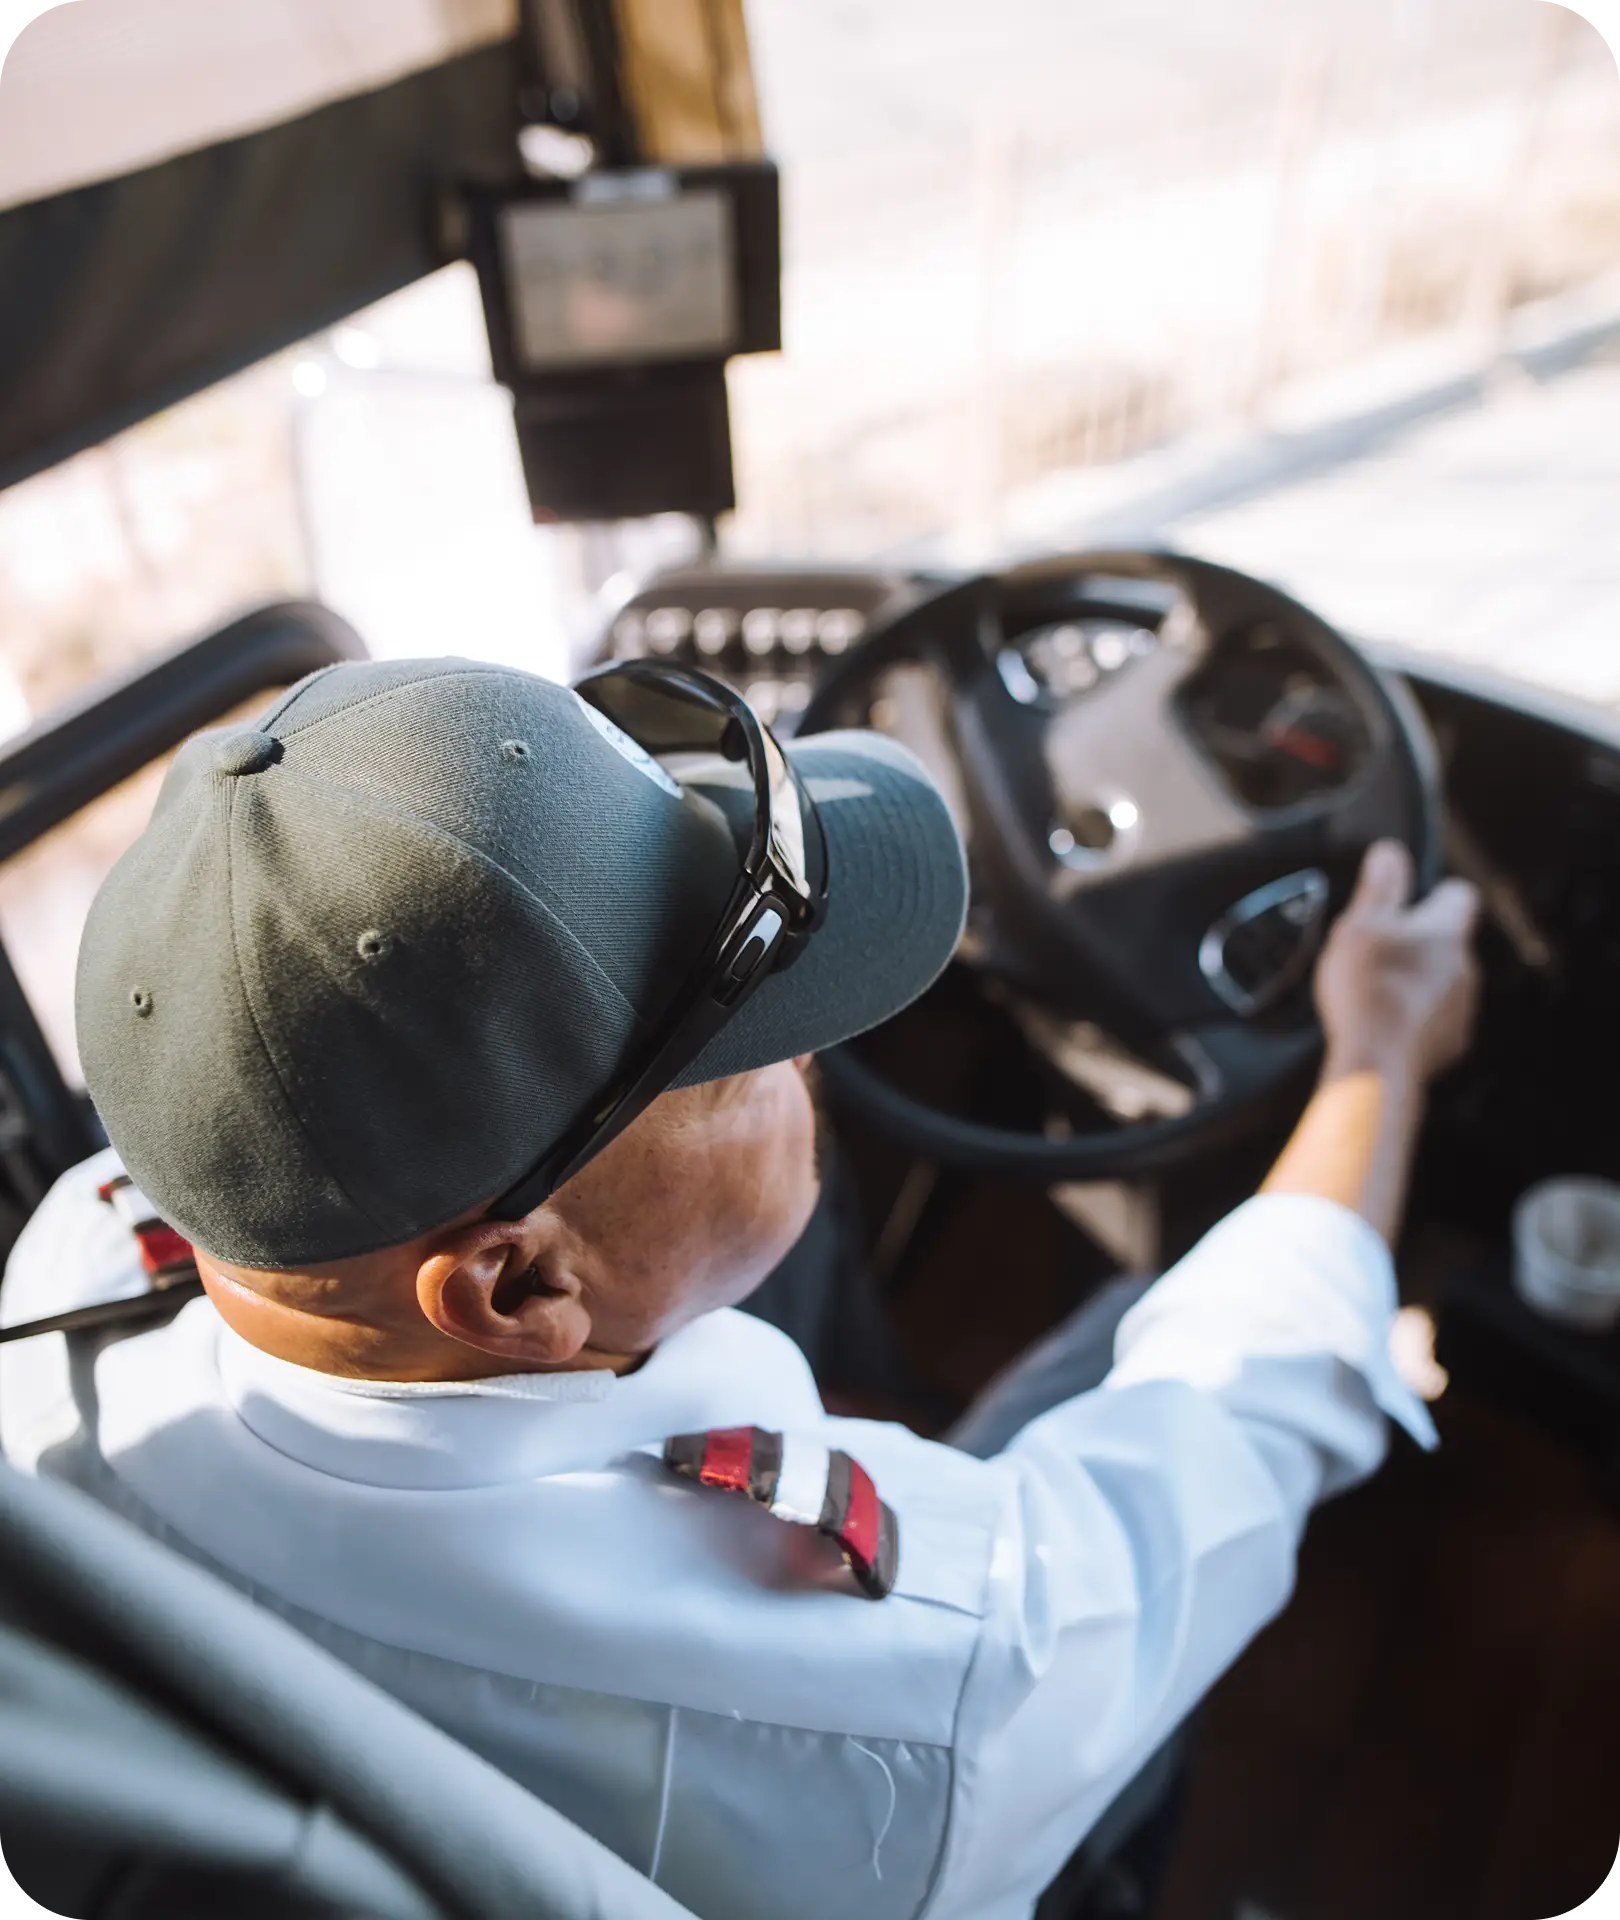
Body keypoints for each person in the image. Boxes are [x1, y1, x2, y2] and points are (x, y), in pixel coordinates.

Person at [0, 657, 1479, 1920]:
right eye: (749, 1051)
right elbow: (1231, 1444)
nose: (816, 1054)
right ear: (518, 1291)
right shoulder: (899, 1688)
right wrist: (1377, 1055)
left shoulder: (83, 1260)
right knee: (1127, 1338)